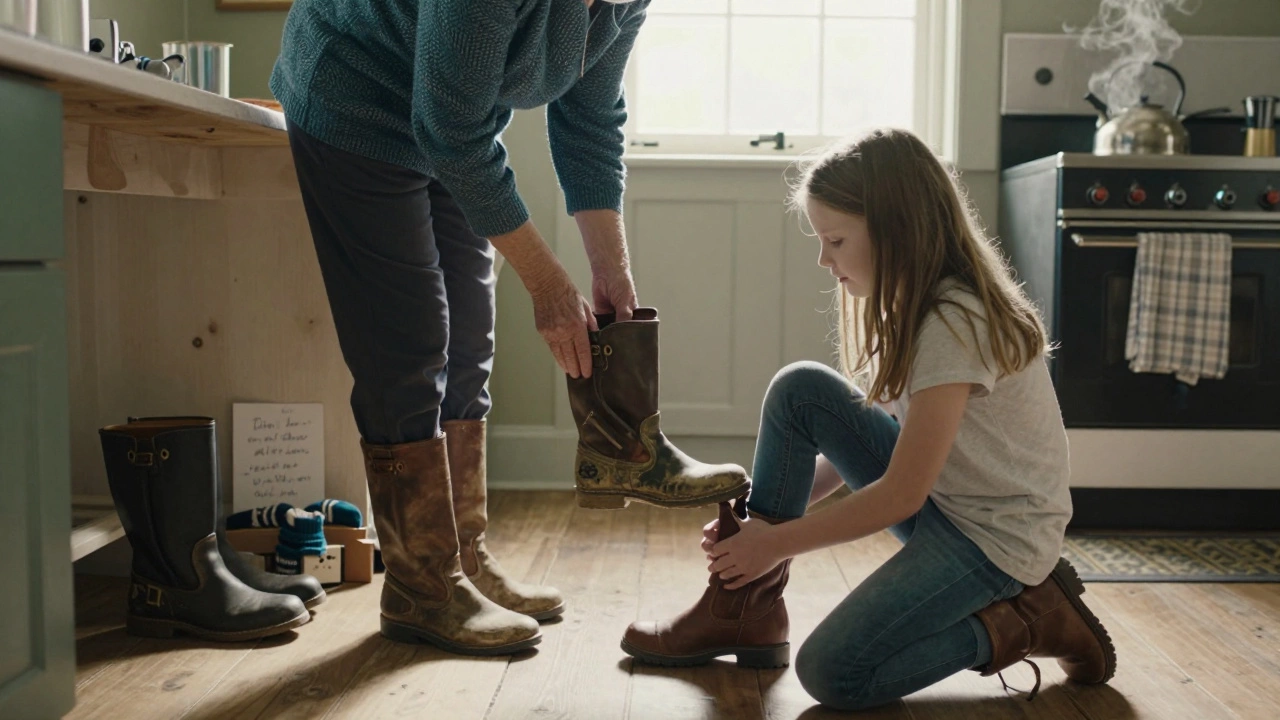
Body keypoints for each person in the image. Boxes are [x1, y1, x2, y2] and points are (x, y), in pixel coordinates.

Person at [621, 128, 1117, 708]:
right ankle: (743, 610)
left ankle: (1032, 620)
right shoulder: (911, 307)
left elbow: (899, 495)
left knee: (834, 673)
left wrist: (775, 543)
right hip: (951, 506)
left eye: (834, 239)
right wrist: (758, 530)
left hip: (996, 541)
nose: (823, 259)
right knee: (801, 391)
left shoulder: (954, 323)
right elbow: (863, 450)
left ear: (895, 232)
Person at [269, 0, 657, 656]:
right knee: (410, 347)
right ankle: (420, 585)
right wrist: (548, 283)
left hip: (453, 125)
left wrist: (609, 268)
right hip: (358, 102)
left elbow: (590, 113)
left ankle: (464, 559)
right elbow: (450, 128)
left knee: (470, 343)